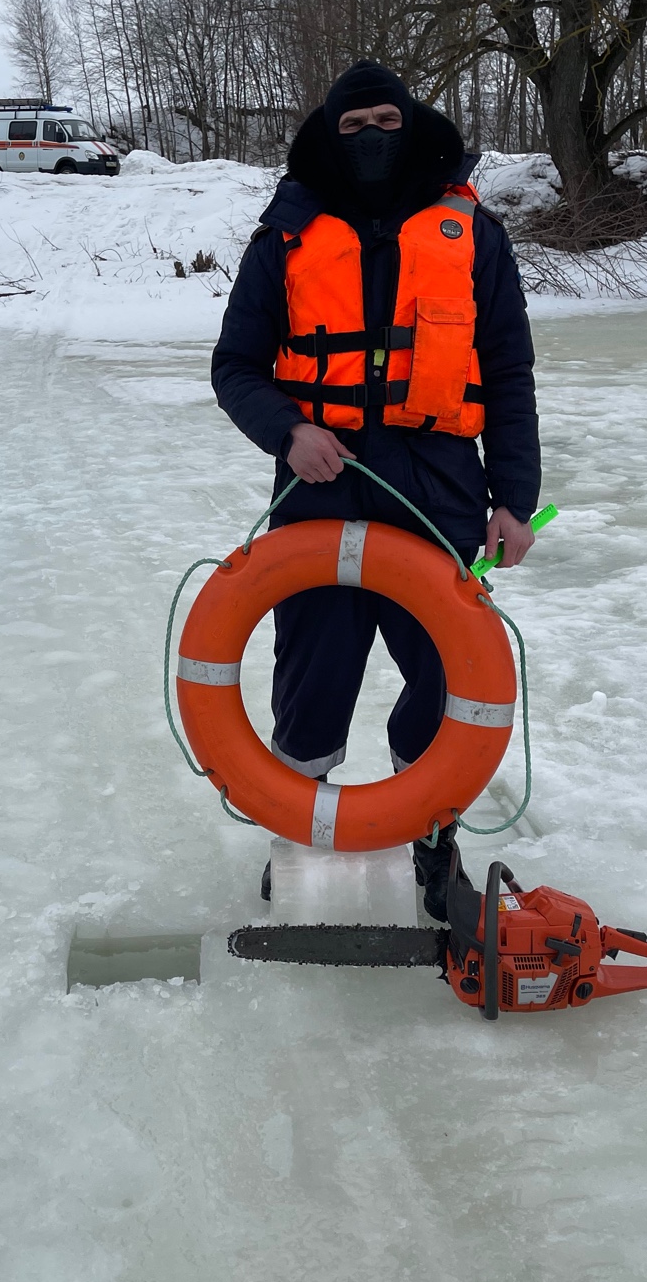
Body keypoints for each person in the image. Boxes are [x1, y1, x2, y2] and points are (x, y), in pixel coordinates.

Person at [211, 61, 541, 925]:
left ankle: (432, 838)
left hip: (436, 490)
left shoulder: (475, 236)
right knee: (312, 673)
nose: (370, 140)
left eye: (384, 121)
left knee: (441, 674)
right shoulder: (281, 238)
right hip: (319, 488)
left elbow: (507, 373)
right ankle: (298, 834)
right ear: (328, 134)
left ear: (413, 122)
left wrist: (515, 495)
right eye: (351, 127)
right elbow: (234, 367)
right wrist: (288, 430)